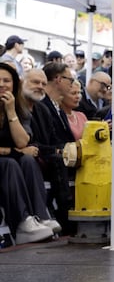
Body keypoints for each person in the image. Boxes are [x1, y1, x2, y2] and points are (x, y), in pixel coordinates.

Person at [0, 63, 59, 238]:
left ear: (14, 84)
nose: (2, 84)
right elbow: (20, 149)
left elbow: (23, 141)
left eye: (6, 80)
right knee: (11, 162)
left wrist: (10, 112)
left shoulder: (18, 107)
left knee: (27, 160)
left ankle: (40, 216)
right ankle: (22, 222)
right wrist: (14, 152)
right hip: (6, 162)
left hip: (10, 159)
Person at [22, 68, 73, 233]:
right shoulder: (16, 107)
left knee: (67, 155)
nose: (40, 86)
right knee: (58, 159)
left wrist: (62, 150)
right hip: (25, 156)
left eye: (43, 83)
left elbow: (53, 141)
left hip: (44, 153)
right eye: (35, 82)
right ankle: (63, 219)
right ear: (23, 82)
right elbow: (28, 143)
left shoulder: (42, 109)